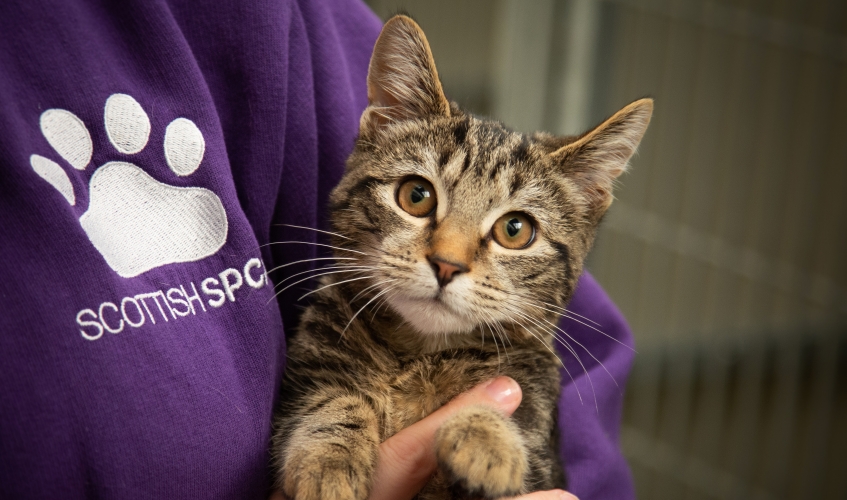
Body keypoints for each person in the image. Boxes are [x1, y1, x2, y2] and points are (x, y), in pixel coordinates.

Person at [0, 0, 635, 498]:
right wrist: (333, 428)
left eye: (513, 231)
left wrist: (486, 431)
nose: (449, 257)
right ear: (378, 129)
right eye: (418, 196)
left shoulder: (529, 364)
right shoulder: (335, 322)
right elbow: (317, 403)